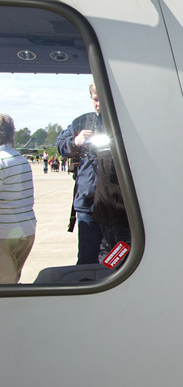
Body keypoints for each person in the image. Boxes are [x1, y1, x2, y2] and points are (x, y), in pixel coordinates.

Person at [56, 82, 104, 264]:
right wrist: (76, 141)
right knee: (87, 256)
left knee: (117, 257)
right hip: (87, 202)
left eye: (102, 99)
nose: (99, 103)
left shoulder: (121, 122)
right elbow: (61, 144)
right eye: (95, 99)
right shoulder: (81, 122)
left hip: (117, 203)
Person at [0, 114, 36, 283]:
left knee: (5, 289)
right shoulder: (18, 157)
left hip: (4, 233)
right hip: (25, 230)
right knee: (12, 280)